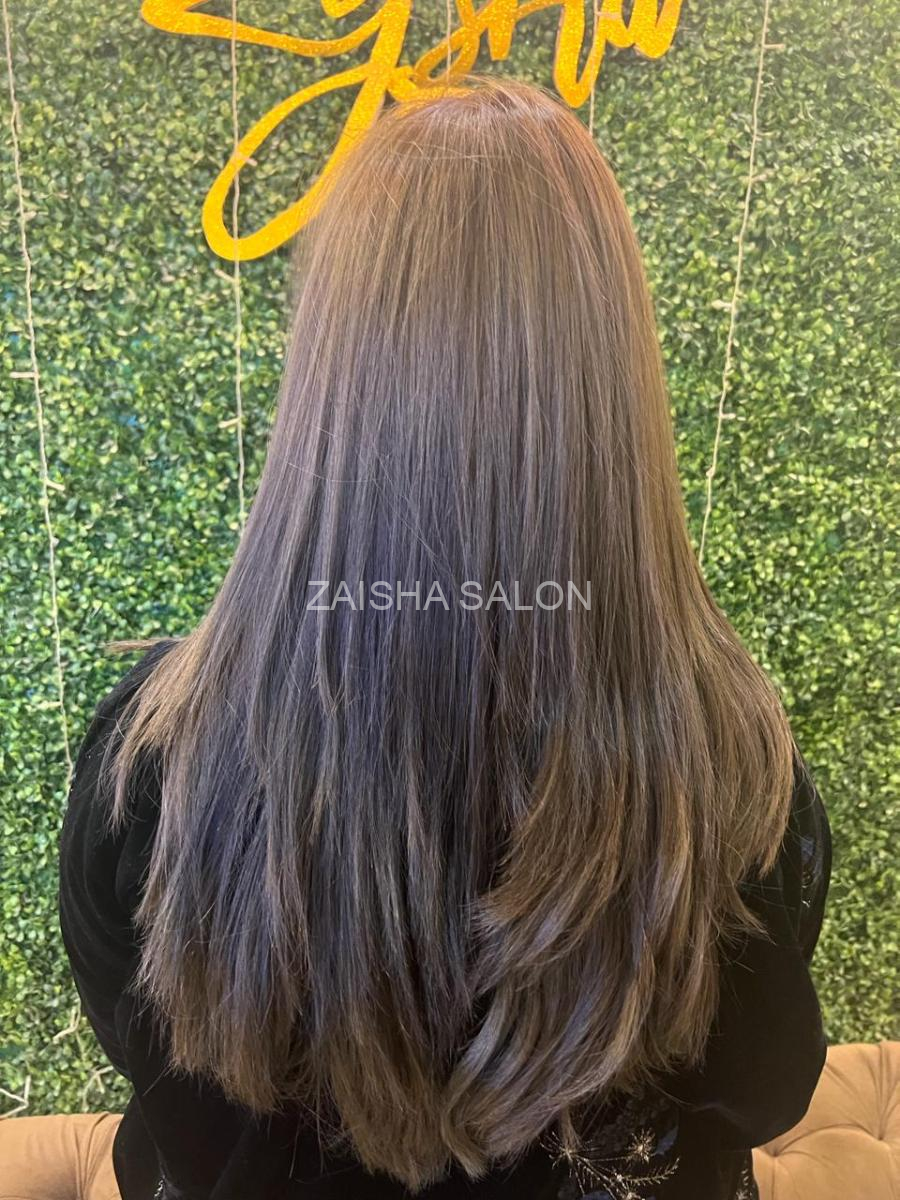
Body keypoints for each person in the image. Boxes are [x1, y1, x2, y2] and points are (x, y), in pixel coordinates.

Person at [10, 77, 832, 1200]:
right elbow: (755, 1094)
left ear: (330, 376)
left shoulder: (153, 770)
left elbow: (174, 1105)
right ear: (613, 377)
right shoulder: (731, 771)